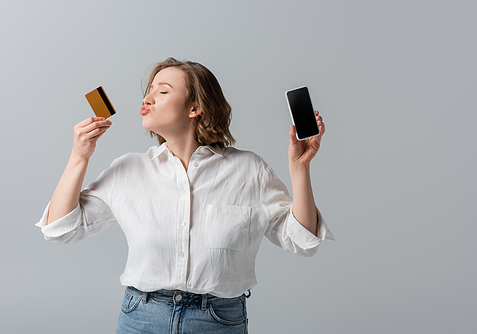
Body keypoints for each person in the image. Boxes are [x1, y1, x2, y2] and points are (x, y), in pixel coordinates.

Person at [36, 57, 334, 333]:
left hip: (218, 320)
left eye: (162, 92)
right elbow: (60, 228)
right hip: (141, 317)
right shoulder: (128, 170)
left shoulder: (248, 169)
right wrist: (79, 157)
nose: (147, 98)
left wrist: (300, 169)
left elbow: (302, 240)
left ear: (194, 108)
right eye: (148, 91)